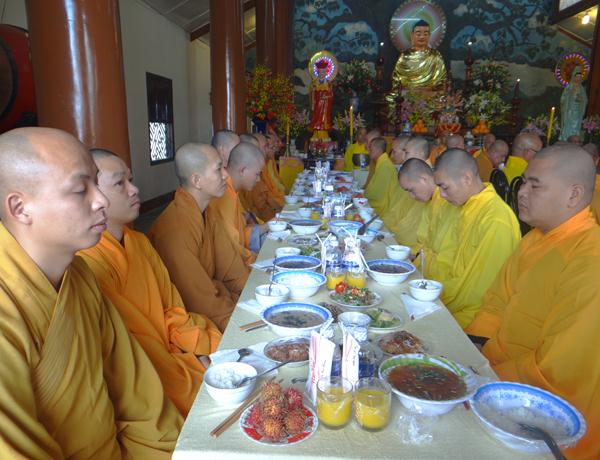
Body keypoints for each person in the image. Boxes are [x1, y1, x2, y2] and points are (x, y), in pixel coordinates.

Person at [0, 127, 182, 458]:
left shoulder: (79, 276)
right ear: (21, 208)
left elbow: (138, 397)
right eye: (79, 189)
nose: (101, 200)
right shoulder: (7, 309)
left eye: (96, 183)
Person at [466, 145, 600, 459]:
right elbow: (496, 301)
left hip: (544, 419)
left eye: (535, 185)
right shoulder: (536, 237)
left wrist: (488, 380)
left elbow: (559, 369)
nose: (522, 192)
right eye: (524, 182)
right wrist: (474, 349)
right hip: (493, 369)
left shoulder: (591, 260)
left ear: (573, 195)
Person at [80, 149, 222, 416]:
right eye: (120, 183)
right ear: (90, 195)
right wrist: (192, 365)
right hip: (146, 375)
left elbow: (172, 309)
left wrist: (202, 348)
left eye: (131, 180)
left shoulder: (139, 242)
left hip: (172, 353)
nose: (134, 189)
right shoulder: (89, 263)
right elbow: (127, 351)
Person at [149, 143, 249, 332]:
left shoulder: (208, 212)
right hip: (196, 321)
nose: (226, 175)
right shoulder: (175, 230)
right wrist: (239, 324)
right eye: (218, 169)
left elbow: (231, 268)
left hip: (220, 299)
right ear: (197, 180)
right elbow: (198, 300)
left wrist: (256, 292)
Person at [433, 149, 521, 328]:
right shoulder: (462, 206)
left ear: (466, 178)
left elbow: (480, 293)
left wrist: (434, 299)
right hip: (449, 297)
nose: (441, 195)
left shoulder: (495, 220)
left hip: (476, 317)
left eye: (445, 187)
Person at [398, 158, 459, 278]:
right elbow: (423, 241)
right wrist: (412, 254)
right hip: (426, 263)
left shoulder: (445, 201)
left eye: (411, 190)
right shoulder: (430, 201)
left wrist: (417, 257)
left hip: (441, 273)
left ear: (424, 179)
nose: (411, 196)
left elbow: (445, 255)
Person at [210, 141, 268, 265]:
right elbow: (231, 247)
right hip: (233, 264)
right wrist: (258, 260)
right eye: (257, 174)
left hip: (241, 255)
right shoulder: (224, 193)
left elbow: (240, 234)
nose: (258, 180)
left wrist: (267, 226)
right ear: (243, 170)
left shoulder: (233, 192)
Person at [381, 138, 429, 246]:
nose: (403, 157)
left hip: (411, 244)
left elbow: (413, 226)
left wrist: (392, 232)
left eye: (406, 153)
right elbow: (400, 209)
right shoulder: (411, 176)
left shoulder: (424, 184)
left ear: (420, 153)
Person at [239, 133, 284, 222]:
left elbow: (270, 195)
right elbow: (261, 207)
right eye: (266, 146)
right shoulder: (249, 176)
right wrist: (275, 222)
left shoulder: (263, 167)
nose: (268, 150)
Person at [391, 19, 446, 90]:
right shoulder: (405, 56)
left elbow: (442, 81)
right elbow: (397, 79)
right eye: (418, 34)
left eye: (425, 34)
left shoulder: (435, 55)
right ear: (412, 35)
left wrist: (431, 89)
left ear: (429, 35)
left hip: (430, 93)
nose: (422, 37)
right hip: (409, 92)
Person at [364, 137, 398, 215]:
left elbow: (376, 193)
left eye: (371, 149)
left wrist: (363, 194)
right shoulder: (382, 163)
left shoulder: (385, 166)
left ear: (378, 150)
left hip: (382, 210)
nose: (368, 151)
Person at [559, 69, 588, 141]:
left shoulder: (581, 88)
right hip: (568, 110)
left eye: (580, 77)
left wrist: (580, 99)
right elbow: (563, 98)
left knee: (575, 125)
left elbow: (585, 100)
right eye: (577, 77)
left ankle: (574, 139)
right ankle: (565, 138)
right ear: (574, 77)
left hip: (577, 112)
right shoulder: (569, 87)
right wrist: (570, 94)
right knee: (567, 124)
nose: (578, 79)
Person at [309, 58, 333, 140]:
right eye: (320, 72)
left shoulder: (329, 83)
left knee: (324, 119)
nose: (321, 74)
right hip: (317, 104)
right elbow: (311, 94)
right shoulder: (314, 83)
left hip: (325, 105)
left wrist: (326, 97)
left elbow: (331, 95)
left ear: (326, 72)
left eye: (323, 72)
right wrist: (313, 92)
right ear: (317, 72)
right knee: (316, 118)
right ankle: (316, 134)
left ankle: (324, 134)